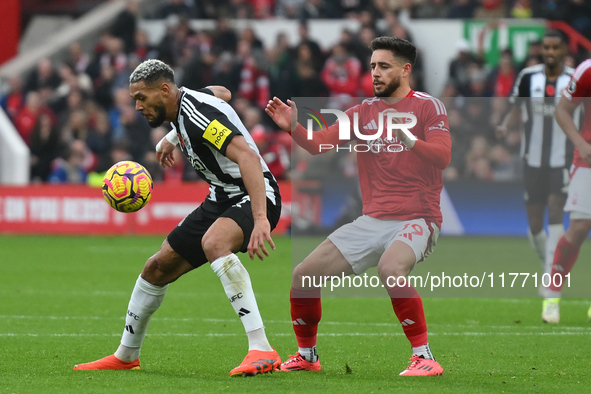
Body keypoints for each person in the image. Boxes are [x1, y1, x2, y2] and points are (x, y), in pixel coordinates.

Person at [73, 59, 283, 376]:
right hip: (221, 196)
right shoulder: (184, 106)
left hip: (255, 194)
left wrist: (261, 217)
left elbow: (248, 157)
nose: (137, 106)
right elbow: (221, 92)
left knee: (214, 242)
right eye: (134, 99)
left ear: (165, 90)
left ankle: (262, 348)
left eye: (142, 97)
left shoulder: (197, 116)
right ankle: (126, 355)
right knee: (156, 268)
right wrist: (172, 137)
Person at [265, 36, 451, 376]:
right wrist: (294, 127)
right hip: (371, 221)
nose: (375, 73)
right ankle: (307, 356)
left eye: (384, 66)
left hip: (418, 217)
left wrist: (411, 141)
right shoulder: (362, 112)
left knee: (390, 269)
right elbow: (318, 145)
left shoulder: (427, 106)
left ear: (405, 69)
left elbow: (443, 156)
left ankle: (424, 357)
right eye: (372, 67)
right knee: (303, 276)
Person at [496, 30, 575, 309]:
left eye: (555, 47)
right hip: (531, 159)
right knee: (533, 226)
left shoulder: (574, 79)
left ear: (565, 49)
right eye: (546, 47)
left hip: (562, 160)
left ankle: (550, 281)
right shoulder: (529, 77)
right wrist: (506, 125)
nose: (550, 51)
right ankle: (552, 265)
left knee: (555, 213)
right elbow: (516, 108)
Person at [543, 57, 591, 323]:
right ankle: (552, 296)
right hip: (588, 160)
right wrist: (581, 144)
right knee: (580, 227)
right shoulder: (587, 70)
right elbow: (562, 110)